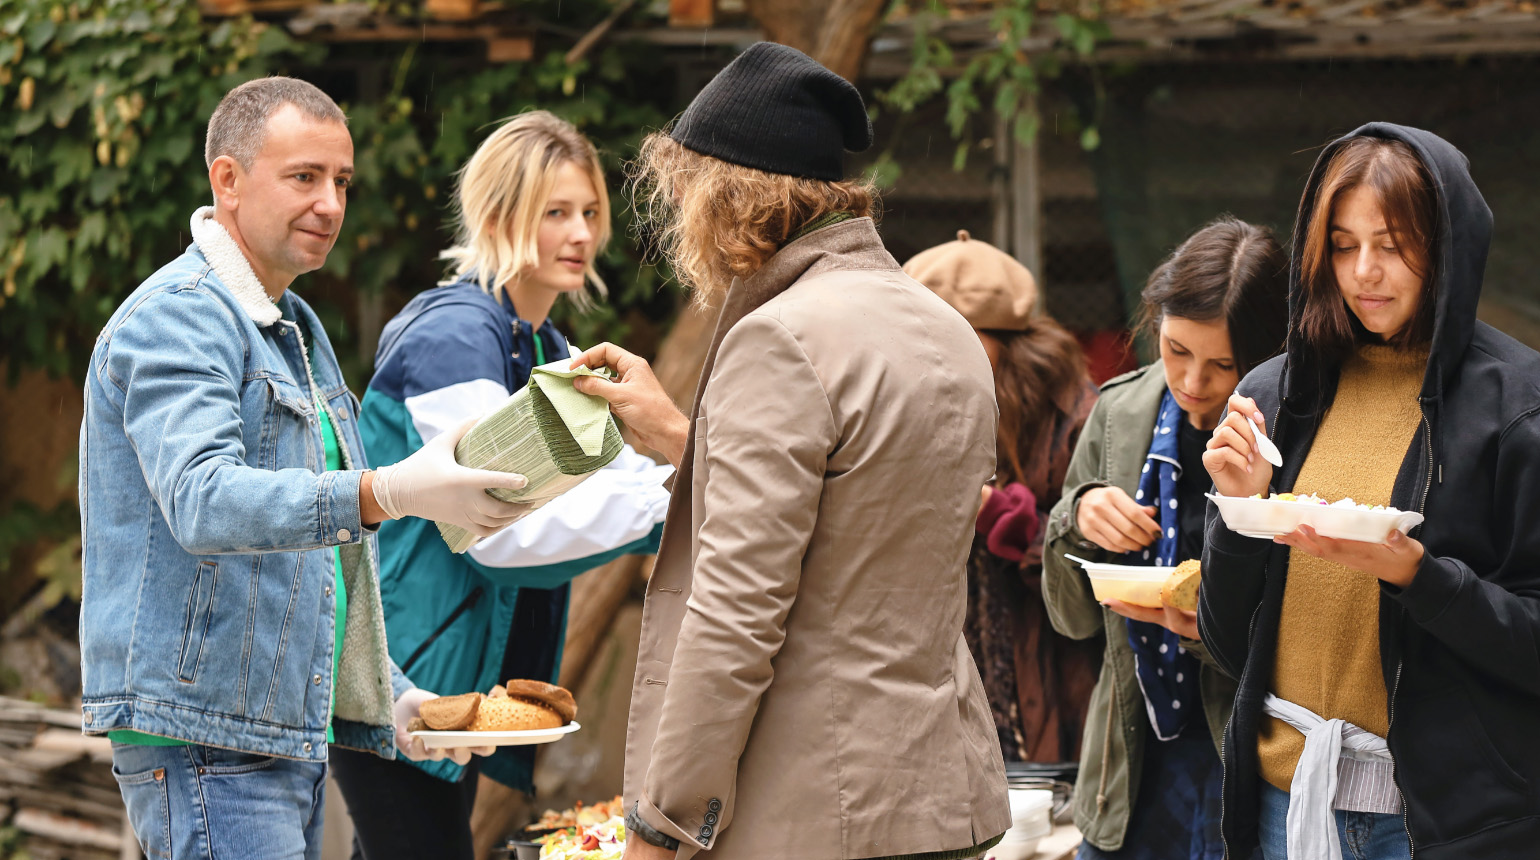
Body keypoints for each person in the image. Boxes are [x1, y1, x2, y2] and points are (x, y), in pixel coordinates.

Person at [569, 42, 1011, 860]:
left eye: (679, 194)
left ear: (724, 198)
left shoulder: (779, 338)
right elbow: (858, 514)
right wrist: (681, 439)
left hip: (812, 809)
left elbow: (736, 614)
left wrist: (663, 822)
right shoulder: (946, 328)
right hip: (942, 794)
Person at [78, 77, 523, 860]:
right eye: (305, 177)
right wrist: (385, 490)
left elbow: (314, 572)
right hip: (205, 742)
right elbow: (204, 502)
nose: (330, 204)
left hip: (275, 737)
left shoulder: (293, 328)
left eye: (342, 181)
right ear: (227, 180)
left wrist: (397, 702)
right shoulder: (180, 316)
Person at [333, 111, 673, 860]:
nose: (581, 233)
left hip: (458, 675)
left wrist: (680, 487)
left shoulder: (543, 344)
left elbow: (619, 477)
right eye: (555, 213)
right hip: (402, 669)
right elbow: (498, 525)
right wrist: (672, 509)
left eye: (589, 212)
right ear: (497, 215)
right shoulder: (451, 337)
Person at [1200, 124, 1540, 860]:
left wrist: (1419, 577)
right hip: (1281, 806)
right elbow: (1228, 645)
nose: (1365, 272)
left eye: (1392, 244)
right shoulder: (1277, 393)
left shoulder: (1517, 405)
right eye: (1345, 245)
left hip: (1441, 823)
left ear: (1447, 245)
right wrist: (1238, 512)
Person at [1042, 217, 1288, 859]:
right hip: (1127, 766)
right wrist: (1079, 516)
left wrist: (1216, 625)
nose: (1192, 382)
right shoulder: (1120, 411)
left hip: (1248, 753)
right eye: (1176, 349)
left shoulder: (1293, 431)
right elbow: (1069, 618)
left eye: (1223, 364)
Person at [902, 231, 1101, 764]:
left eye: (959, 340)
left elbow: (1091, 579)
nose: (940, 357)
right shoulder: (900, 405)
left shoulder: (1077, 419)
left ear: (1009, 343)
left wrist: (1006, 519)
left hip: (1050, 683)